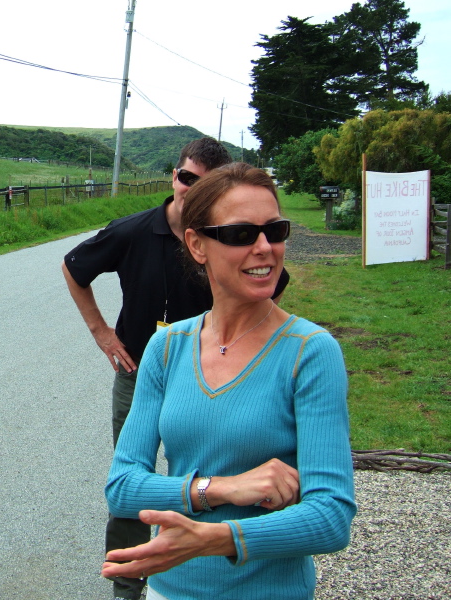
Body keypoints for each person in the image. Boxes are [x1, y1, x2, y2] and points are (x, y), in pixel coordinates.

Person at [103, 162, 356, 600]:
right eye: (241, 234)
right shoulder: (167, 348)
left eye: (275, 231)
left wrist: (216, 539)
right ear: (197, 244)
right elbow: (122, 488)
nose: (265, 248)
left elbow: (331, 517)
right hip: (170, 591)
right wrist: (222, 489)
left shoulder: (310, 352)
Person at [62, 138, 288, 599]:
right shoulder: (132, 231)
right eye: (186, 178)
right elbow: (73, 266)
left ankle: (206, 569)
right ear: (174, 176)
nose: (191, 189)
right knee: (133, 481)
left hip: (215, 375)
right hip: (141, 369)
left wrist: (250, 344)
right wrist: (102, 332)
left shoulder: (236, 238)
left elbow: (271, 286)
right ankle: (127, 581)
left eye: (205, 185)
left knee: (221, 473)